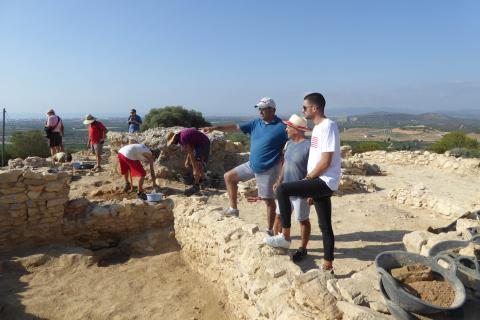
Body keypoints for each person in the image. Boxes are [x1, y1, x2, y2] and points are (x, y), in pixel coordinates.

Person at [263, 93, 341, 274]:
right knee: (325, 225)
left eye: (304, 107)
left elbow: (326, 161)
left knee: (282, 190)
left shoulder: (328, 126)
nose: (302, 110)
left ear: (314, 108)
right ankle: (328, 265)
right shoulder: (318, 128)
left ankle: (285, 236)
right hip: (320, 181)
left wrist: (308, 181)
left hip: (323, 180)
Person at [203, 97, 288, 235]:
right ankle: (233, 210)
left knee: (268, 201)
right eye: (259, 109)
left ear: (273, 110)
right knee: (229, 177)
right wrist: (215, 128)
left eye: (263, 109)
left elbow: (294, 143)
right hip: (252, 164)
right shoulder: (256, 123)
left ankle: (269, 230)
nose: (260, 111)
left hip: (268, 169)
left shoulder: (282, 127)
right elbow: (236, 127)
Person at [265, 114, 311, 262]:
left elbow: (313, 170)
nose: (286, 129)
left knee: (302, 220)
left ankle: (303, 248)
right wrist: (279, 180)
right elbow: (285, 163)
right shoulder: (289, 144)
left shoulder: (309, 146)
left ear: (297, 129)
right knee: (279, 215)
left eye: (288, 127)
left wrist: (311, 193)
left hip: (301, 190)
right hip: (285, 189)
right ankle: (280, 240)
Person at [166, 128, 211, 196]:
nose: (173, 143)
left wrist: (195, 169)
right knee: (197, 164)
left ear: (175, 138)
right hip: (198, 145)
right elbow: (191, 148)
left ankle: (196, 186)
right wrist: (187, 160)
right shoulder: (181, 137)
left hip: (203, 144)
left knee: (197, 164)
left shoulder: (183, 137)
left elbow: (191, 153)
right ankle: (204, 181)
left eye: (172, 142)